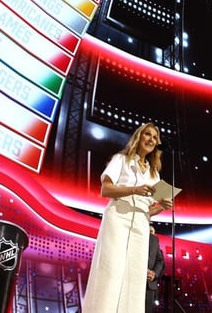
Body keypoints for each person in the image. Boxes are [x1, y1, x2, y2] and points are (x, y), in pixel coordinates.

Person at [81, 123, 174, 313]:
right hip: (118, 216)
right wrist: (134, 189)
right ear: (138, 137)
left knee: (134, 275)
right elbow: (105, 189)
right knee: (111, 270)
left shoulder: (154, 173)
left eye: (155, 138)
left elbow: (150, 210)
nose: (151, 139)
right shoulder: (121, 159)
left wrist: (162, 206)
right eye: (147, 134)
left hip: (141, 222)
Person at [146, 225, 165, 313]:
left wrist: (154, 273)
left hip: (150, 284)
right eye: (148, 231)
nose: (150, 235)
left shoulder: (157, 248)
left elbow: (161, 263)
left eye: (151, 232)